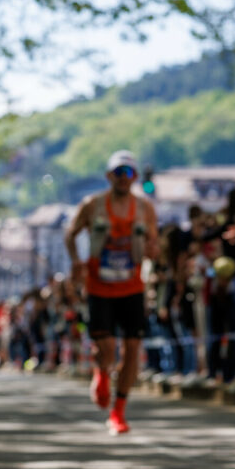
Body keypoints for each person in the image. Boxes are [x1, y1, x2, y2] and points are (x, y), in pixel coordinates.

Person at [65, 151, 158, 434]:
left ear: (135, 178)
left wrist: (153, 253)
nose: (122, 178)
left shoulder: (144, 209)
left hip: (131, 285)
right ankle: (102, 371)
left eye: (128, 173)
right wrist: (76, 262)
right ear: (109, 176)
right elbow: (71, 233)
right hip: (99, 285)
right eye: (118, 172)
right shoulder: (92, 205)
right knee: (106, 348)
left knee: (132, 348)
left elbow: (154, 243)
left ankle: (118, 412)